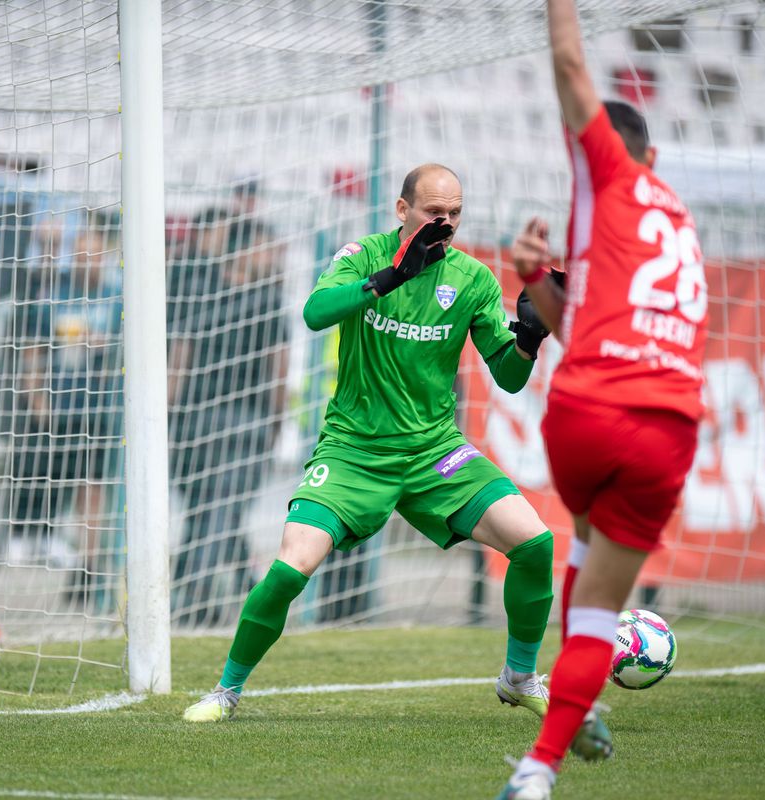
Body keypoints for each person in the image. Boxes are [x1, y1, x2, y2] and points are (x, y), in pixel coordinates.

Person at [183, 163, 558, 722]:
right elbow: (314, 314)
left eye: (455, 213)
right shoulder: (361, 255)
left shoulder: (474, 279)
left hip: (434, 451)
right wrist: (391, 277)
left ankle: (519, 677)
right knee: (290, 568)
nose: (447, 223)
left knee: (534, 543)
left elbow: (506, 376)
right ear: (403, 210)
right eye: (435, 212)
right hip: (353, 450)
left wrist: (528, 338)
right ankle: (226, 691)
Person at [498, 2, 709, 798]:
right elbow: (588, 312)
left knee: (582, 570)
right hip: (669, 426)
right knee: (599, 598)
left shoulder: (605, 180)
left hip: (588, 411)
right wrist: (542, 283)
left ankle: (574, 712)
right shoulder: (679, 221)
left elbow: (570, 66)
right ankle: (537, 770)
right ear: (654, 153)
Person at [168, 220, 289, 627]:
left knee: (210, 509)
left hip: (195, 418)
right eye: (264, 249)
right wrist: (276, 423)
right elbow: (279, 368)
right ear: (241, 252)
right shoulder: (267, 299)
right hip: (244, 421)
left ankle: (225, 585)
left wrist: (170, 417)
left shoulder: (199, 292)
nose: (271, 257)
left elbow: (178, 359)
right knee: (220, 510)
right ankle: (197, 595)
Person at [9, 218, 123, 606]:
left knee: (92, 489)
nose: (84, 261)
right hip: (61, 408)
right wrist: (37, 396)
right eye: (78, 254)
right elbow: (33, 349)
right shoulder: (54, 298)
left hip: (102, 408)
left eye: (91, 254)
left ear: (105, 255)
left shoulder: (117, 297)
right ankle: (49, 543)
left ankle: (89, 566)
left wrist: (105, 347)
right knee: (64, 485)